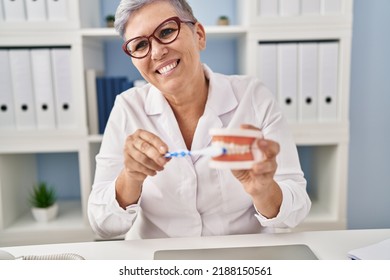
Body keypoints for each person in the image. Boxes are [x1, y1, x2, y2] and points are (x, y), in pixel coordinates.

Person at [87, 0, 311, 239]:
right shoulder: (127, 108)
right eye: (140, 44)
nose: (156, 52)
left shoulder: (253, 97)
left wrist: (265, 191)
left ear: (199, 35)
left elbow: (295, 213)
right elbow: (102, 225)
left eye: (166, 31)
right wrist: (130, 178)